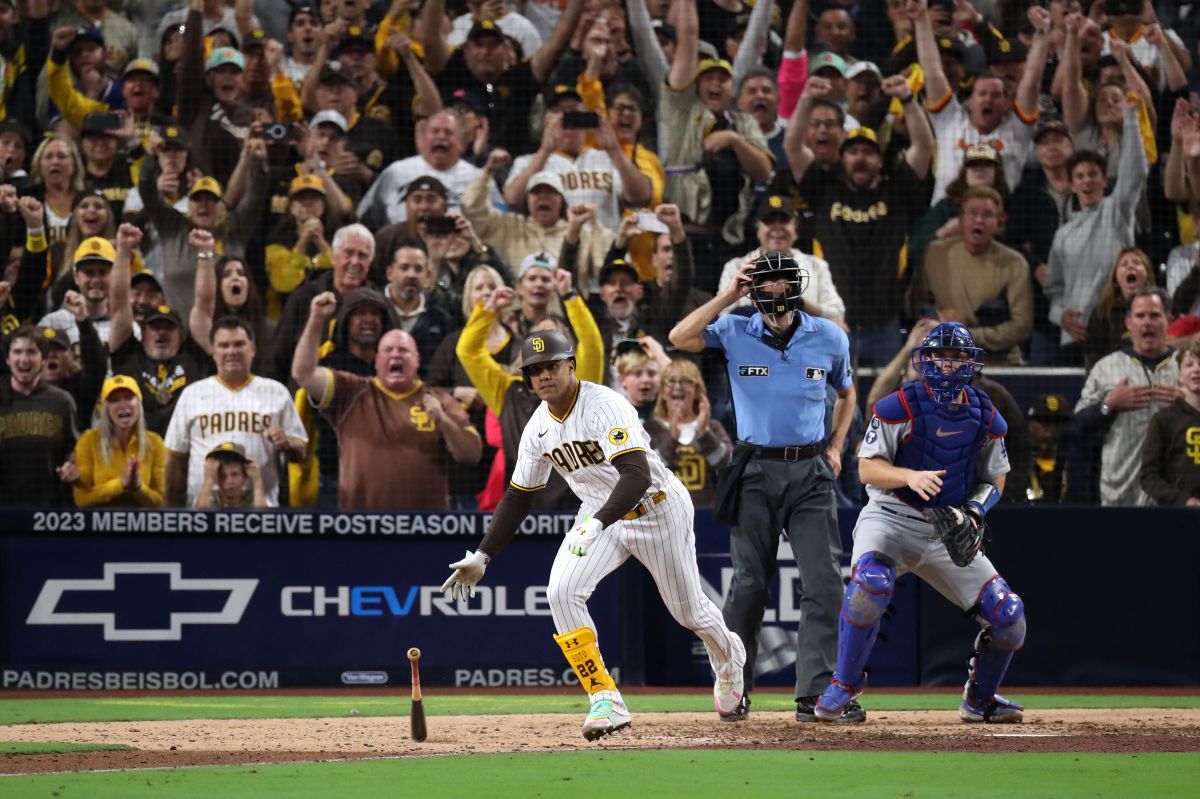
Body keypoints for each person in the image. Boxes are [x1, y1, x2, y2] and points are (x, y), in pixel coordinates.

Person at [439, 329, 747, 739]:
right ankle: (604, 697)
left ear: (571, 365)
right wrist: (483, 555)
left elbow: (636, 475)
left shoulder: (605, 405)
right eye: (534, 370)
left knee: (687, 611)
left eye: (551, 365)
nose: (544, 375)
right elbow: (517, 497)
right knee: (561, 591)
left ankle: (730, 657)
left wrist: (598, 521)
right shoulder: (537, 429)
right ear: (527, 380)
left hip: (656, 508)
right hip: (599, 516)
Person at [669, 250, 857, 724]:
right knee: (749, 584)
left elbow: (848, 391)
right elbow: (679, 336)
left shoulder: (829, 336)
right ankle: (736, 685)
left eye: (779, 282)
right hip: (754, 470)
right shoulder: (734, 328)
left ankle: (815, 694)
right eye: (763, 284)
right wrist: (728, 295)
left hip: (811, 470)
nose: (772, 292)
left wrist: (836, 445)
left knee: (825, 583)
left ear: (795, 285)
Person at [812, 322, 1025, 725]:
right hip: (890, 518)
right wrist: (910, 476)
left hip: (948, 527)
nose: (947, 364)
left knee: (1010, 618)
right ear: (925, 361)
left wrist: (977, 509)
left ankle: (980, 701)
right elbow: (867, 470)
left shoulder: (986, 415)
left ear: (970, 362)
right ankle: (844, 685)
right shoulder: (899, 406)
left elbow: (995, 478)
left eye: (956, 356)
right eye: (939, 356)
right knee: (868, 588)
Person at [291, 291, 482, 510]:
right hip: (362, 528)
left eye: (404, 350)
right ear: (377, 360)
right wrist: (316, 318)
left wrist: (443, 420)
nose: (395, 355)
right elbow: (303, 374)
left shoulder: (439, 399)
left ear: (417, 359)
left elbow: (472, 454)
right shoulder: (351, 391)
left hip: (427, 531)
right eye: (388, 350)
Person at [164, 316, 308, 508]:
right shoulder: (192, 394)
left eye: (239, 344)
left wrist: (287, 445)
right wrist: (166, 509)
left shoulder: (276, 391)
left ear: (253, 349)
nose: (232, 351)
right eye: (224, 345)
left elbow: (301, 451)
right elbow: (174, 458)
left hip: (260, 511)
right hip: (204, 512)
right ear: (213, 351)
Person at [1074, 288, 1182, 506]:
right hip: (1120, 492)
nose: (1147, 323)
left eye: (1154, 315)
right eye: (1140, 316)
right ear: (1128, 322)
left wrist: (1188, 404)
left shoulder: (1187, 366)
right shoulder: (1106, 367)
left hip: (1176, 494)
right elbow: (1078, 426)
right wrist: (1108, 405)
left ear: (1168, 320)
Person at [909, 187, 1033, 365]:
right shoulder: (934, 253)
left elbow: (1022, 326)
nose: (979, 221)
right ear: (960, 220)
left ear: (1001, 221)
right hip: (942, 361)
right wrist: (937, 314)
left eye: (988, 215)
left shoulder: (1015, 264)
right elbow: (914, 305)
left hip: (998, 363)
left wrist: (966, 334)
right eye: (972, 214)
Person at [0, 326, 79, 507]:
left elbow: (73, 450)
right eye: (17, 352)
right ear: (7, 359)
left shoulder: (62, 402)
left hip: (48, 510)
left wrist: (72, 466)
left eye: (31, 352)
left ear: (43, 359)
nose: (24, 359)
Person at [644, 358, 732, 510]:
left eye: (685, 381)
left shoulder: (712, 426)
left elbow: (728, 464)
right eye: (670, 381)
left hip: (707, 515)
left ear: (697, 390)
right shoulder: (650, 429)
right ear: (663, 392)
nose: (677, 386)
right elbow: (648, 472)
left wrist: (704, 434)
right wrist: (673, 439)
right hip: (666, 514)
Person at [72, 375, 166, 508]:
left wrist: (138, 487)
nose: (123, 404)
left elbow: (161, 502)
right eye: (114, 400)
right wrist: (120, 484)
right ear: (105, 408)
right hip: (99, 526)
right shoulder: (88, 440)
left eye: (128, 397)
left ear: (139, 403)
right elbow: (81, 500)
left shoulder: (155, 443)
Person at [1139, 341, 1200, 506]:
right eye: (1189, 364)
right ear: (1180, 375)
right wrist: (1184, 500)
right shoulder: (1164, 420)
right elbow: (1148, 476)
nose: (1196, 369)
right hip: (1178, 517)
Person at [1083, 248, 1157, 370]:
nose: (1130, 267)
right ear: (1116, 280)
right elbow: (1093, 362)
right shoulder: (1101, 314)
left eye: (1137, 263)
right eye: (1124, 264)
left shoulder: (1161, 309)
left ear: (1147, 276)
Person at [196, 441, 268, 508]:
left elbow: (264, 518)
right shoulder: (208, 497)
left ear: (245, 475)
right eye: (222, 476)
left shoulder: (255, 497)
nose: (229, 481)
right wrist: (208, 479)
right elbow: (198, 517)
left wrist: (257, 480)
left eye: (235, 474)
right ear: (215, 478)